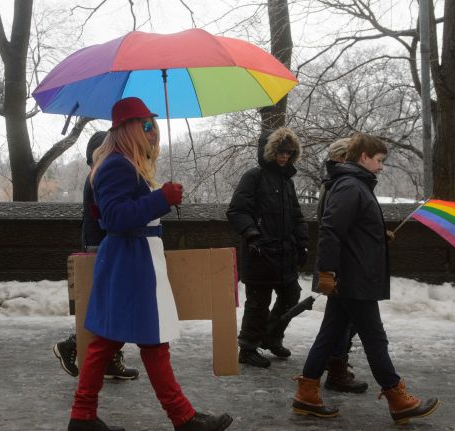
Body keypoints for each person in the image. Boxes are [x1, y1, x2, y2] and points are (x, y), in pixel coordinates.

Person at [69, 97, 232, 431]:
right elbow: (114, 219)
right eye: (145, 125)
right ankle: (182, 418)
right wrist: (162, 199)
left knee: (118, 342)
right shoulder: (116, 164)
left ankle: (84, 416)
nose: (153, 131)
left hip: (135, 260)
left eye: (153, 124)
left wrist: (159, 199)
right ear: (127, 129)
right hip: (131, 261)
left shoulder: (124, 163)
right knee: (141, 341)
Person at [291, 133, 439, 425]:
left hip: (353, 276)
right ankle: (397, 398)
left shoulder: (355, 185)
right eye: (379, 160)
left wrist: (378, 237)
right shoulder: (350, 186)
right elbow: (331, 230)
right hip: (353, 279)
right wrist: (327, 272)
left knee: (330, 334)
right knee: (374, 338)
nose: (382, 167)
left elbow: (353, 228)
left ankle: (307, 394)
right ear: (363, 157)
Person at [53, 131, 139, 381]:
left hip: (98, 246)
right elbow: (111, 216)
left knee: (110, 308)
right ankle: (71, 345)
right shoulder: (101, 175)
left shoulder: (98, 174)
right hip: (100, 248)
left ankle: (110, 358)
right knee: (110, 308)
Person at [226, 127, 309, 368]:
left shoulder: (286, 182)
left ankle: (271, 337)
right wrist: (252, 234)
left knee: (291, 296)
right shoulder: (254, 176)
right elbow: (236, 210)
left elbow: (296, 216)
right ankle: (248, 348)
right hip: (259, 252)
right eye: (280, 152)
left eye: (288, 152)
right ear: (269, 151)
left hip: (284, 253)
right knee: (258, 303)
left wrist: (302, 245)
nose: (284, 157)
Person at [314, 138, 368, 394]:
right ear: (340, 159)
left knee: (339, 322)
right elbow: (333, 228)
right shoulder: (340, 185)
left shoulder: (337, 184)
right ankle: (334, 370)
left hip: (344, 263)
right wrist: (329, 270)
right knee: (344, 323)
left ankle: (327, 370)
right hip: (344, 266)